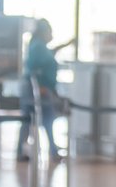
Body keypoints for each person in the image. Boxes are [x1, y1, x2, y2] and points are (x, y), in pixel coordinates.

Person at [16, 19, 74, 161]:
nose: (51, 34)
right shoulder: (37, 47)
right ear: (44, 32)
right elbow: (33, 67)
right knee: (42, 118)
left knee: (32, 120)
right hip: (38, 89)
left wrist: (66, 44)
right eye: (50, 31)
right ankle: (51, 151)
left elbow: (50, 54)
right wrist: (39, 87)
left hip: (42, 88)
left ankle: (44, 150)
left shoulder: (40, 46)